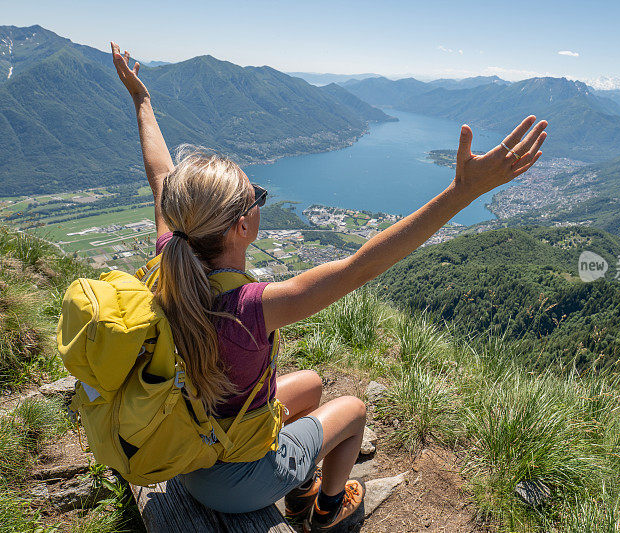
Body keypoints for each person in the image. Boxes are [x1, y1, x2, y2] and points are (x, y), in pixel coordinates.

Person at [110, 42, 547, 532]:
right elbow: (363, 264)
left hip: (187, 450)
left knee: (313, 384)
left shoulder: (168, 258)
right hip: (232, 481)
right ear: (241, 227)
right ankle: (327, 511)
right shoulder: (252, 307)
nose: (259, 201)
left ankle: (300, 496)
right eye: (255, 196)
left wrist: (142, 101)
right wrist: (462, 192)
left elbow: (161, 176)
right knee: (353, 411)